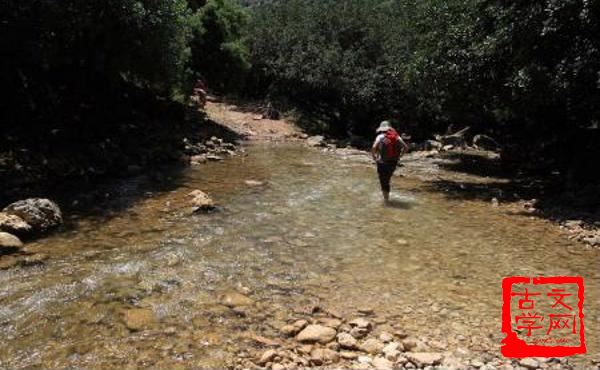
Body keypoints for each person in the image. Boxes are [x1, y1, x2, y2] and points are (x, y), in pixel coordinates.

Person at [371, 121, 409, 202]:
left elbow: (374, 147)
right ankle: (387, 197)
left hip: (382, 162)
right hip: (393, 162)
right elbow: (406, 148)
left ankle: (386, 200)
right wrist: (400, 156)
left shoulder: (380, 136)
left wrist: (374, 157)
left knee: (383, 181)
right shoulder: (397, 137)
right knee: (387, 179)